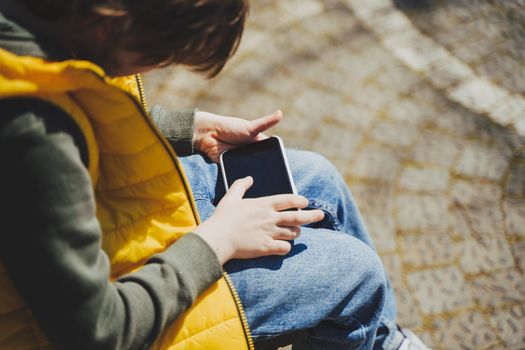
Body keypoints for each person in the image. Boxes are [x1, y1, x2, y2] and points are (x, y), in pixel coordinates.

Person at [0, 0, 430, 349]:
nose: (148, 71)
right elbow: (96, 331)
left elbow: (86, 108)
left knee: (317, 178)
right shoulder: (32, 134)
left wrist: (190, 128)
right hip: (107, 316)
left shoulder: (49, 28)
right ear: (108, 25)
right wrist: (219, 241)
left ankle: (381, 341)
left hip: (110, 221)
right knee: (354, 274)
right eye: (153, 56)